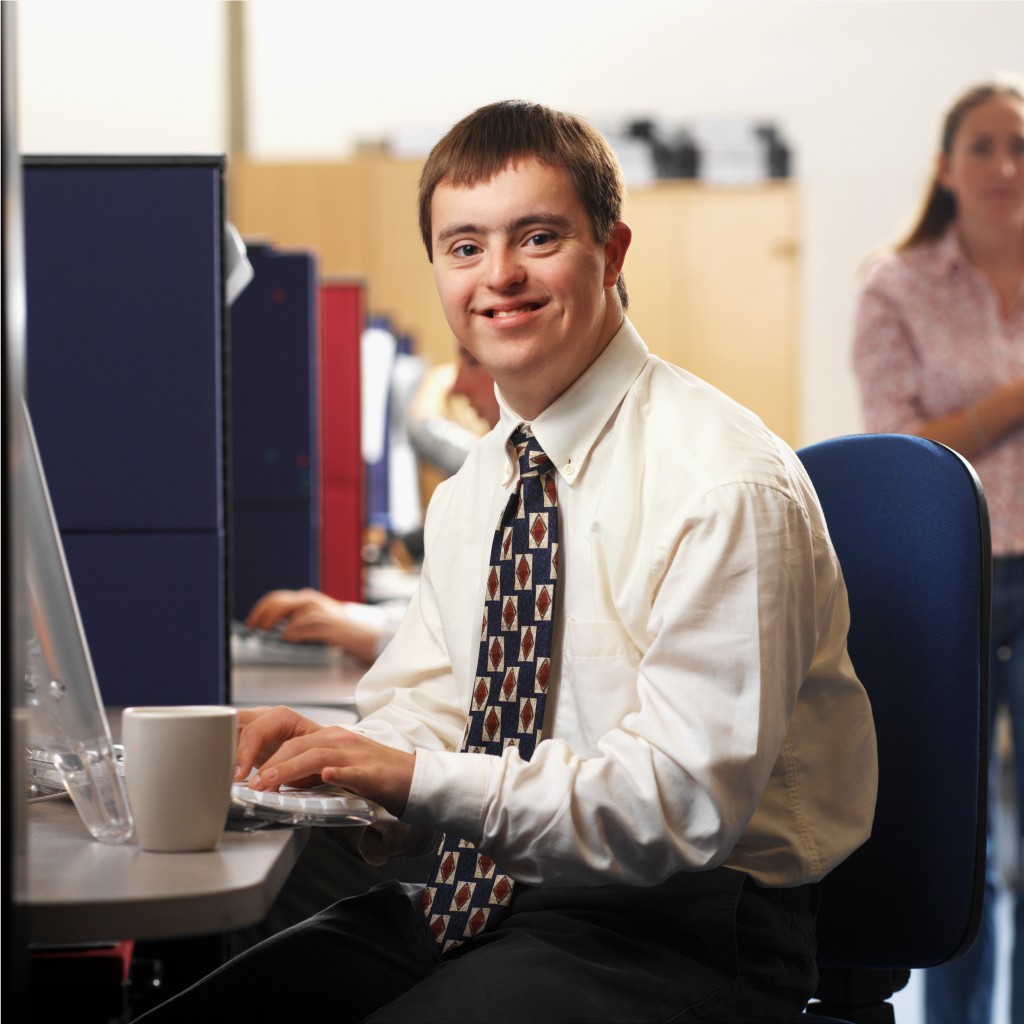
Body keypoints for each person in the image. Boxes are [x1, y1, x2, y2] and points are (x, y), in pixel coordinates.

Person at [139, 100, 877, 1023]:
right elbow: (429, 714)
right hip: (484, 898)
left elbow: (676, 807)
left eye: (537, 237)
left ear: (611, 254)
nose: (500, 277)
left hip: (683, 928)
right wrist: (330, 765)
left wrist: (413, 780)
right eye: (464, 247)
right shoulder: (481, 486)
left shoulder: (721, 483)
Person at [852, 77, 1024, 1024]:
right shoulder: (897, 282)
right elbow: (901, 455)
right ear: (947, 166)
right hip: (956, 583)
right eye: (985, 147)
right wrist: (1008, 402)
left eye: (1021, 146)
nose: (1006, 166)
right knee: (964, 848)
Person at [244, 348, 501, 664]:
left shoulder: (501, 468)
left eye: (473, 361)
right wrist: (351, 618)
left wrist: (366, 634)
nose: (457, 388)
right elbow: (460, 618)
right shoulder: (498, 464)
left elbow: (491, 644)